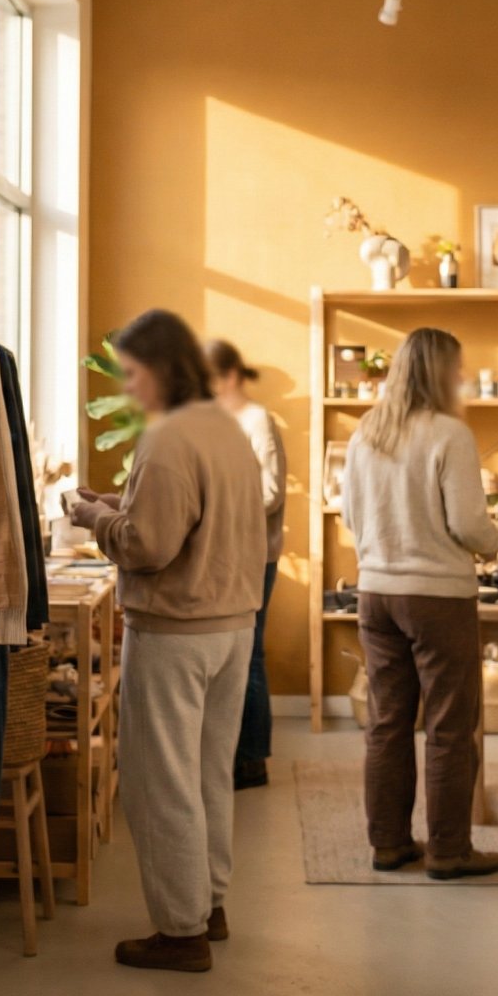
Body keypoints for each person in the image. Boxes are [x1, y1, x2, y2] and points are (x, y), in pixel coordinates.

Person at [70, 309, 265, 974]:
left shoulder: (169, 437)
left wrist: (93, 514)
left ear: (158, 368)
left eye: (131, 374)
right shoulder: (228, 429)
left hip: (175, 629)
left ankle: (179, 930)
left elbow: (148, 545)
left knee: (160, 781)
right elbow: (189, 520)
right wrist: (116, 506)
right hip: (233, 623)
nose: (129, 389)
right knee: (209, 773)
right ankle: (207, 903)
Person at [341, 327, 498, 880]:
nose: (461, 377)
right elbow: (469, 525)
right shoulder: (449, 434)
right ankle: (449, 849)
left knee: (386, 722)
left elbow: (348, 517)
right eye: (456, 368)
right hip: (437, 597)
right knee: (449, 727)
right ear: (440, 373)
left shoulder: (367, 432)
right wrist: (495, 539)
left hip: (376, 593)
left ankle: (387, 843)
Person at [205, 339, 286, 791]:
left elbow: (270, 492)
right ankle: (235, 753)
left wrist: (214, 507)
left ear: (231, 377)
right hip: (228, 552)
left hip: (255, 554)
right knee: (235, 652)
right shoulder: (221, 421)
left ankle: (252, 759)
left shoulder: (258, 421)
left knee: (250, 652)